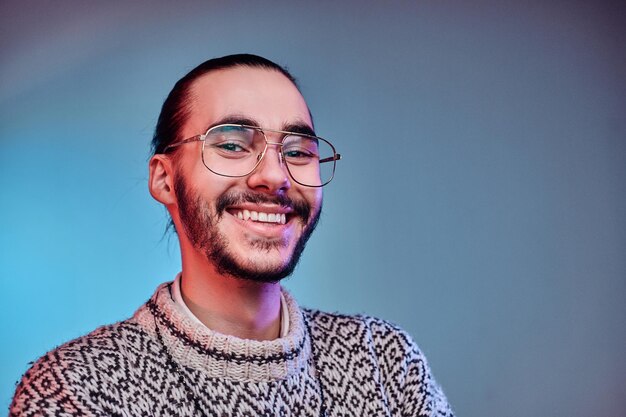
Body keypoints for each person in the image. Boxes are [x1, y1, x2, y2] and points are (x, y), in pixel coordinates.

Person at [10, 54, 453, 416]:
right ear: (165, 179)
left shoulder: (383, 362)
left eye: (298, 151)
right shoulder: (77, 389)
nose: (274, 176)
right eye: (232, 145)